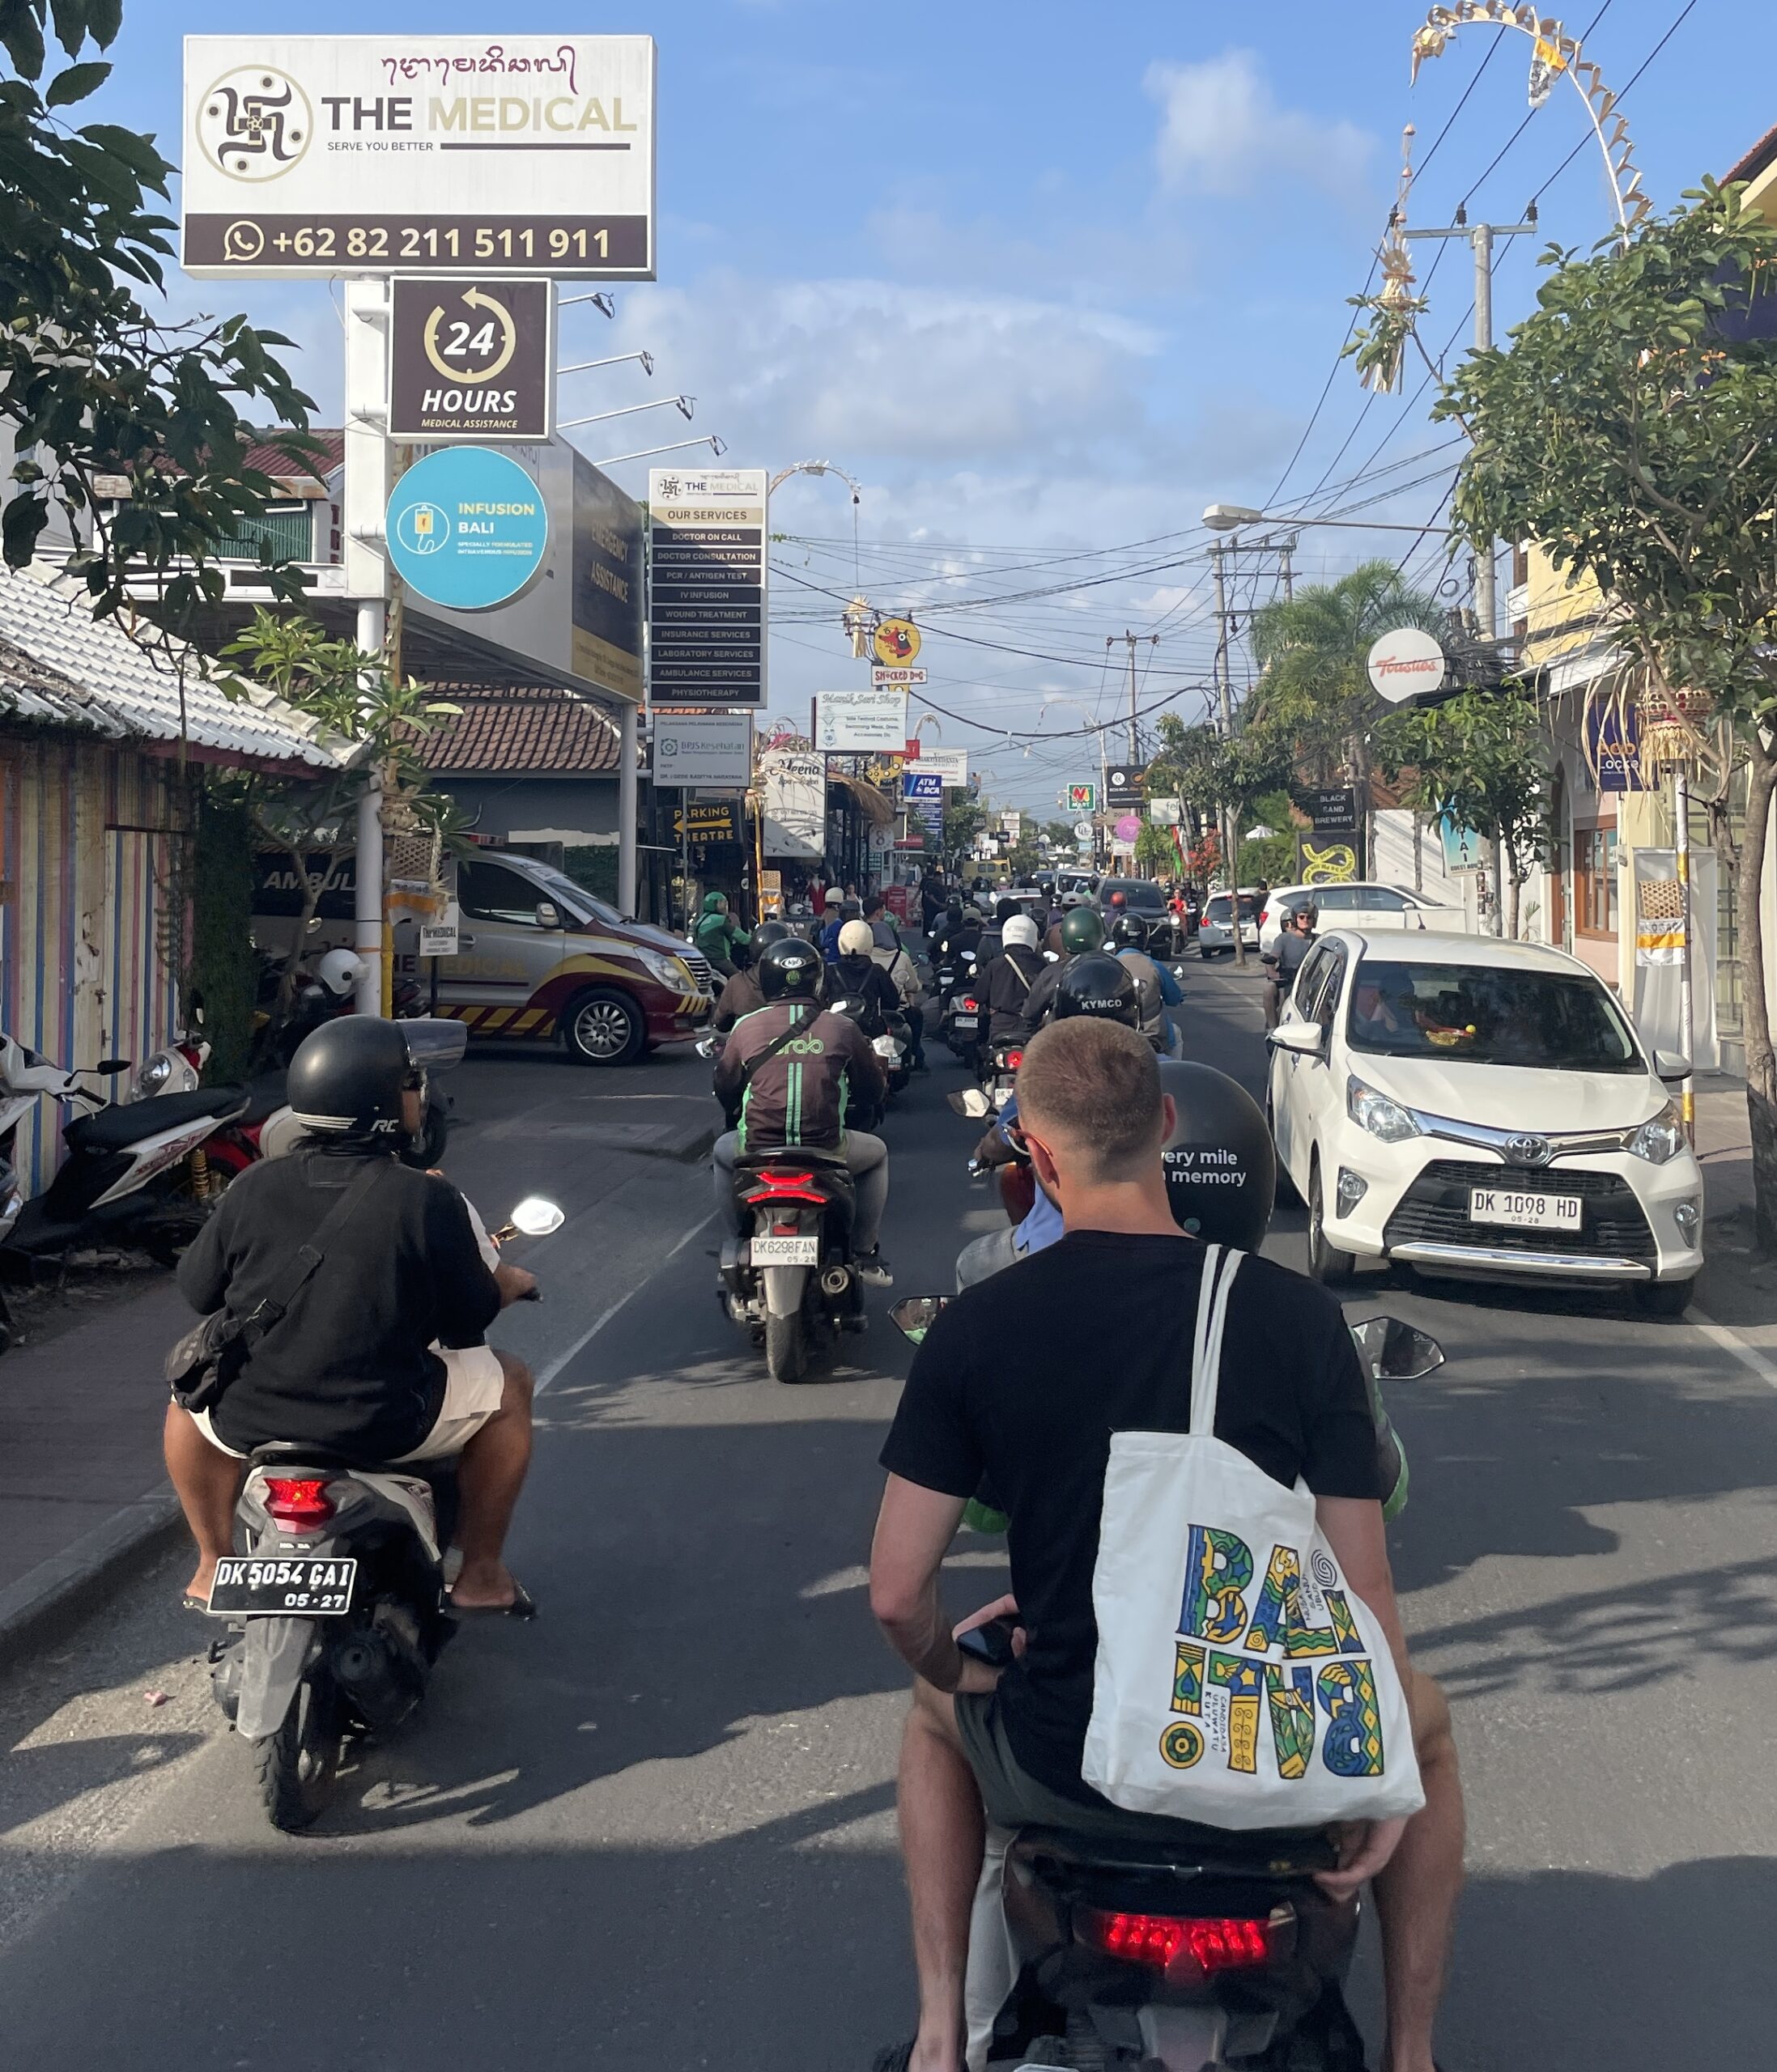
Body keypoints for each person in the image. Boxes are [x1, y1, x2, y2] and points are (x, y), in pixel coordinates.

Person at [868, 1018, 1460, 2072]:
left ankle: (935, 2035)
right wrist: (1375, 1778)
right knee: (1434, 1731)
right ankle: (1410, 2052)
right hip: (1270, 1759)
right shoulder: (1297, 1320)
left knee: (931, 1719)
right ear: (1166, 1124)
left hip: (1067, 1765)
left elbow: (894, 1595)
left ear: (1035, 1157)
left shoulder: (976, 1327)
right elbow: (1363, 1588)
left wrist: (958, 1667)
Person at [166, 1018, 538, 1616]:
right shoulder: (426, 1197)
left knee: (185, 1392)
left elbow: (198, 1291)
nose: (420, 1095)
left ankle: (211, 1565)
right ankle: (483, 1574)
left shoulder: (254, 1185)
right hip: (385, 1422)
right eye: (410, 1084)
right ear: (384, 1102)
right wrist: (510, 1284)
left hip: (248, 1417)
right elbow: (469, 1322)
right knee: (511, 1381)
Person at [711, 935, 892, 1286]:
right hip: (826, 1152)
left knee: (721, 1153)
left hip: (758, 1151)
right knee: (878, 1154)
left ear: (766, 980)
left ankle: (737, 1243)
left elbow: (726, 1086)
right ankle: (866, 1252)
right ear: (818, 979)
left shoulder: (746, 1027)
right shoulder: (842, 1027)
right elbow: (871, 1091)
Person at [957, 952, 1141, 1290]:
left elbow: (1007, 1134)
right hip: (1161, 1242)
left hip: (1055, 1241)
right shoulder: (1158, 1069)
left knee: (970, 1265)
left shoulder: (1047, 1074)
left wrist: (984, 1152)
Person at [1106, 909, 1183, 1051]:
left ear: (1117, 937)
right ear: (1145, 938)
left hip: (1116, 1038)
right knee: (1176, 1034)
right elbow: (1173, 999)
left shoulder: (1108, 967)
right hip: (1152, 1039)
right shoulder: (1154, 966)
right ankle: (1174, 1072)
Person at [1022, 903, 1106, 1027]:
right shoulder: (1115, 971)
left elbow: (1029, 1014)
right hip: (1107, 1040)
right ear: (1100, 935)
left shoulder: (1052, 974)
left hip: (1063, 1042)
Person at [832, 918, 904, 1040]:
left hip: (836, 1031)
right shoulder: (877, 971)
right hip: (871, 1031)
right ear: (869, 941)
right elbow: (893, 1002)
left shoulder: (830, 971)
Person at [874, 923, 929, 1073]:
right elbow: (914, 987)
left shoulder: (866, 957)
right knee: (916, 1016)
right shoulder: (901, 957)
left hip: (872, 1012)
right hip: (898, 1010)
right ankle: (916, 1052)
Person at [983, 913, 1045, 1049]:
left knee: (987, 1063)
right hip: (1030, 1028)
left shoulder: (995, 964)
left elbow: (979, 995)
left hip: (1000, 1026)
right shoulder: (1042, 965)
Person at [713, 919, 789, 1032]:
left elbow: (720, 1021)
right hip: (797, 1043)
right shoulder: (800, 980)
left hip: (749, 1043)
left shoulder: (737, 982)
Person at [1261, 899, 1319, 1030]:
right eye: (1302, 917)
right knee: (1269, 990)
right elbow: (1273, 956)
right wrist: (1272, 972)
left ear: (1314, 920)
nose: (1305, 920)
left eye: (1309, 917)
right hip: (1286, 978)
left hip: (1308, 981)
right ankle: (1272, 1029)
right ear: (1295, 919)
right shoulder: (1284, 938)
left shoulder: (1319, 939)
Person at [694, 890, 748, 979]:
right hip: (719, 958)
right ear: (714, 904)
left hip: (704, 956)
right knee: (739, 979)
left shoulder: (701, 919)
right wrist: (753, 939)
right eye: (722, 903)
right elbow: (739, 935)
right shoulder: (720, 920)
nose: (725, 907)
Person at [865, 890, 902, 957]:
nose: (885, 913)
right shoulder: (887, 930)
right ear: (878, 912)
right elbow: (899, 950)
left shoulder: (861, 929)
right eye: (883, 911)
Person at [920, 868, 948, 937]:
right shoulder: (930, 884)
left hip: (939, 907)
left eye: (941, 877)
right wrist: (938, 904)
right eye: (939, 877)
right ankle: (928, 933)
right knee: (929, 920)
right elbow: (930, 896)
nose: (940, 879)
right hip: (931, 907)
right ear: (935, 877)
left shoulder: (941, 886)